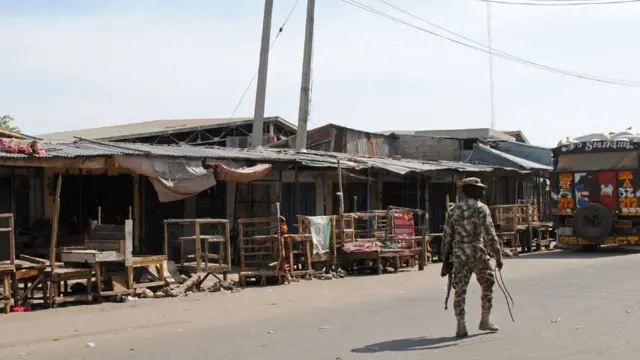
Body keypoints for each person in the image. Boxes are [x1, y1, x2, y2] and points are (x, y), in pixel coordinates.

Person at [441, 177, 503, 338]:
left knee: (459, 289)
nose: (483, 191)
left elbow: (447, 236)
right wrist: (497, 255)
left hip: (459, 254)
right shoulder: (481, 208)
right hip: (477, 252)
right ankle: (485, 320)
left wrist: (445, 260)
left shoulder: (453, 210)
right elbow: (489, 233)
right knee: (488, 283)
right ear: (471, 190)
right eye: (480, 188)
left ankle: (460, 325)